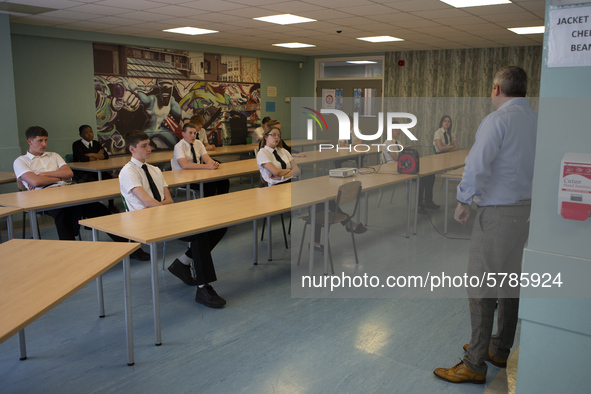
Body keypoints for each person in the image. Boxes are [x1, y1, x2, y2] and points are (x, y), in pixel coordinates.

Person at [433, 66, 537, 384]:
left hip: (498, 215)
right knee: (510, 283)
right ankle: (500, 348)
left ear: (496, 89)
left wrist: (463, 200)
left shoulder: (497, 120)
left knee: (481, 287)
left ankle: (475, 362)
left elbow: (477, 165)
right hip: (527, 213)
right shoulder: (536, 120)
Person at [119, 130, 227, 308]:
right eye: (144, 146)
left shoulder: (154, 170)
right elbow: (146, 202)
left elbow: (169, 199)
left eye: (149, 144)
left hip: (164, 214)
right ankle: (203, 288)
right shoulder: (128, 172)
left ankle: (182, 263)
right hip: (143, 222)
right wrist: (169, 213)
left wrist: (170, 213)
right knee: (199, 235)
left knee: (218, 226)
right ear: (132, 149)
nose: (149, 149)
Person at [14, 126, 150, 260]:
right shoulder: (21, 161)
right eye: (40, 141)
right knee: (63, 213)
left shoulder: (53, 156)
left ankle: (131, 249)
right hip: (43, 197)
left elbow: (69, 173)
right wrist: (60, 177)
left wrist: (44, 174)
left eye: (46, 140)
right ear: (29, 141)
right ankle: (71, 256)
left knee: (100, 210)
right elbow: (35, 182)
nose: (44, 144)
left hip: (68, 192)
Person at [172, 122, 230, 197]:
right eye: (190, 133)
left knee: (224, 181)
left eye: (195, 133)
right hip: (183, 178)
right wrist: (207, 166)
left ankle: (221, 202)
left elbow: (207, 159)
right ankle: (208, 206)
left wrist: (213, 163)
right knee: (209, 185)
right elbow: (184, 165)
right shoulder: (179, 146)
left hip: (198, 175)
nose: (193, 136)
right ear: (183, 134)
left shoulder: (198, 143)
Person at [72, 124, 119, 212]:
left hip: (96, 170)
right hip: (83, 172)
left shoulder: (96, 143)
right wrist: (98, 155)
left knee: (108, 178)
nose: (89, 134)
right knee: (91, 181)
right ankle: (95, 207)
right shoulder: (76, 144)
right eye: (86, 133)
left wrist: (91, 154)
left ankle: (111, 205)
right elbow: (83, 159)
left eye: (91, 131)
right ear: (81, 135)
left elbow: (105, 156)